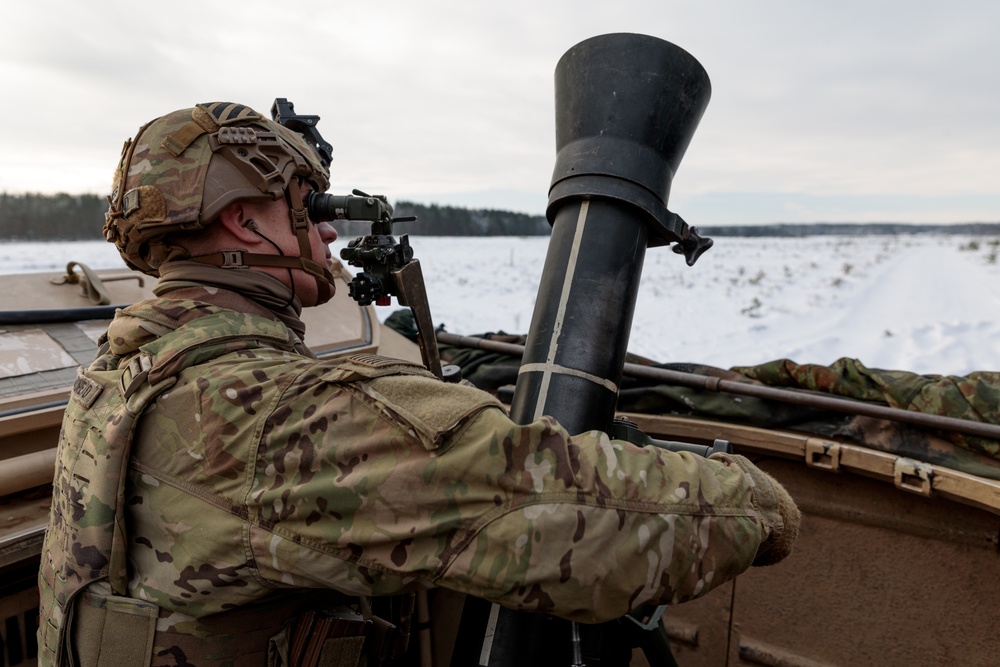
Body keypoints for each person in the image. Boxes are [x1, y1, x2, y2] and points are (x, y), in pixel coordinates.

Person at [38, 101, 800, 667]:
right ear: (243, 222)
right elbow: (552, 508)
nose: (331, 233)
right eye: (307, 205)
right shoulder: (263, 415)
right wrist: (752, 505)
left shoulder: (122, 368)